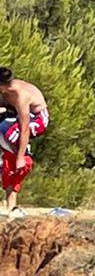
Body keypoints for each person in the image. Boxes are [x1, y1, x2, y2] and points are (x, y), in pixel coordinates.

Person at [0, 69, 49, 217]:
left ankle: (24, 158)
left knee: (6, 130)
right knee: (7, 154)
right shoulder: (5, 92)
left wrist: (20, 156)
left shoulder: (21, 96)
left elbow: (25, 128)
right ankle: (11, 206)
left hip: (38, 119)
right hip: (16, 117)